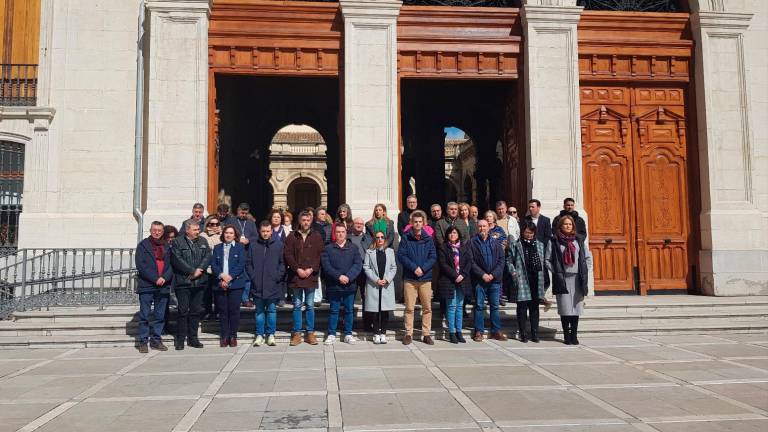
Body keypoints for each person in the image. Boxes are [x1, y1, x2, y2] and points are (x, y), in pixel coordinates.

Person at [547, 215, 590, 345]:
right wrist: (556, 271)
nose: (568, 226)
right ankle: (566, 335)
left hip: (578, 278)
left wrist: (584, 269)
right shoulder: (554, 240)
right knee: (565, 309)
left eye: (570, 224)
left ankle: (574, 335)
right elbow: (547, 260)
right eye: (565, 224)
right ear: (560, 225)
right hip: (563, 279)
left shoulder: (579, 240)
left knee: (576, 308)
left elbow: (587, 258)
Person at [396, 210, 437, 345]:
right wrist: (414, 268)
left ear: (423, 223)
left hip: (425, 279)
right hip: (410, 278)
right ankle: (408, 333)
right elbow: (401, 256)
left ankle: (426, 334)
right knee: (409, 308)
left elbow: (433, 257)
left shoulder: (428, 239)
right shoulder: (406, 238)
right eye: (415, 222)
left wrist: (423, 268)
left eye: (420, 222)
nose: (418, 224)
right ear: (411, 223)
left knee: (427, 308)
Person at [170, 220, 212, 350]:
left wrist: (199, 270)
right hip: (183, 282)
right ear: (187, 230)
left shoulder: (203, 241)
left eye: (198, 229)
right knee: (183, 311)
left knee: (195, 311)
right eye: (195, 230)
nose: (197, 232)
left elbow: (207, 256)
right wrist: (191, 271)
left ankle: (193, 338)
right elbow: (177, 259)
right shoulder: (178, 242)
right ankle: (180, 339)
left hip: (199, 283)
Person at [284, 211, 324, 346]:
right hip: (297, 275)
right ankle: (296, 333)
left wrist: (311, 269)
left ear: (311, 221)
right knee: (296, 305)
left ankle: (310, 333)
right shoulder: (292, 236)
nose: (306, 222)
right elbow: (288, 255)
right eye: (303, 220)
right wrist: (297, 269)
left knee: (310, 305)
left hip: (311, 275)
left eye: (308, 220)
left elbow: (320, 255)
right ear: (300, 221)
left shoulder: (317, 236)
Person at [135, 221, 173, 353]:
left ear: (163, 232)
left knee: (159, 315)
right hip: (147, 285)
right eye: (154, 230)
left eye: (159, 230)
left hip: (163, 285)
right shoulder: (143, 246)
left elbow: (172, 265)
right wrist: (155, 278)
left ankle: (156, 340)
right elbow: (141, 265)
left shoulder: (167, 246)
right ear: (150, 230)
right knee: (144, 315)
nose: (157, 232)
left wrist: (164, 278)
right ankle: (143, 342)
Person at [321, 224, 363, 345]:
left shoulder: (353, 248)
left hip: (349, 285)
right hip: (334, 285)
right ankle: (331, 334)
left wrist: (348, 277)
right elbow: (326, 266)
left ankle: (348, 334)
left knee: (349, 310)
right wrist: (338, 276)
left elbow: (358, 264)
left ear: (346, 233)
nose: (340, 234)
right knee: (334, 310)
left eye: (342, 232)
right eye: (338, 232)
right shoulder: (328, 248)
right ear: (335, 233)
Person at [246, 221, 285, 347]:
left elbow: (282, 264)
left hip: (272, 283)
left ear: (271, 231)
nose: (265, 234)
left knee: (272, 310)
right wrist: (253, 276)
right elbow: (249, 263)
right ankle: (259, 334)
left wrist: (277, 276)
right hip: (258, 283)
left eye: (268, 231)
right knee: (259, 311)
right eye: (263, 231)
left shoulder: (278, 245)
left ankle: (271, 334)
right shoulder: (253, 245)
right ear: (259, 231)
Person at [508, 222, 548, 343]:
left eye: (531, 233)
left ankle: (535, 333)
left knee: (534, 307)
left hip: (536, 278)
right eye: (526, 232)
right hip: (522, 278)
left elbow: (544, 262)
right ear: (522, 232)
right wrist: (514, 273)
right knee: (522, 307)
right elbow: (509, 261)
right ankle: (523, 332)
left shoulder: (540, 245)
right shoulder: (516, 245)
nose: (529, 235)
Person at [469, 219, 507, 342]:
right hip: (480, 280)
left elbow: (502, 260)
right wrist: (482, 275)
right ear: (477, 228)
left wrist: (493, 274)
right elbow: (471, 262)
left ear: (488, 228)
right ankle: (479, 331)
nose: (482, 229)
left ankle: (496, 331)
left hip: (494, 280)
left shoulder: (495, 243)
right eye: (480, 226)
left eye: (484, 226)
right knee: (479, 306)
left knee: (495, 306)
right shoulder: (472, 243)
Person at [211, 225, 247, 347]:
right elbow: (214, 264)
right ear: (223, 234)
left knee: (234, 311)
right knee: (223, 311)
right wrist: (221, 276)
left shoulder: (240, 248)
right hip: (220, 283)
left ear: (235, 235)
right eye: (226, 232)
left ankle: (233, 335)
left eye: (231, 233)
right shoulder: (217, 248)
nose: (228, 235)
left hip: (235, 284)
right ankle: (224, 335)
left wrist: (229, 277)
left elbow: (241, 264)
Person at [437, 226, 472, 344]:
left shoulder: (464, 247)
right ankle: (451, 332)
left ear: (458, 235)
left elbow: (469, 262)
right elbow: (443, 264)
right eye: (450, 233)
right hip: (449, 280)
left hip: (462, 280)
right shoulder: (443, 247)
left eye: (455, 233)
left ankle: (459, 332)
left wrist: (462, 274)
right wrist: (455, 275)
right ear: (447, 235)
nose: (453, 235)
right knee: (451, 307)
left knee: (460, 307)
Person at [363, 230, 397, 344]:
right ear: (375, 239)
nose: (380, 239)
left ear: (385, 239)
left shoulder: (390, 252)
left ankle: (383, 333)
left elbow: (394, 267)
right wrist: (376, 279)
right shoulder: (369, 252)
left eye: (382, 237)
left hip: (386, 284)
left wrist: (387, 279)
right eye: (377, 237)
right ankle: (376, 333)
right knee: (375, 310)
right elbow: (366, 267)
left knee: (385, 310)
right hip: (374, 284)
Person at [234, 203, 258, 308]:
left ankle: (245, 298)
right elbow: (227, 234)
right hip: (235, 252)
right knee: (235, 275)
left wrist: (248, 240)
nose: (243, 214)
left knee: (247, 277)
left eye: (245, 213)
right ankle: (236, 298)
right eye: (241, 212)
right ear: (238, 210)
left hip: (248, 253)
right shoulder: (232, 221)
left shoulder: (250, 223)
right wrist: (238, 239)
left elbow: (256, 236)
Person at [201, 216, 223, 321]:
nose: (214, 226)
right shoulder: (203, 235)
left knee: (218, 291)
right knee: (207, 292)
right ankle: (207, 312)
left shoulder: (223, 235)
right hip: (207, 268)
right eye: (211, 224)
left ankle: (218, 311)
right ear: (207, 225)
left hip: (219, 268)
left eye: (216, 224)